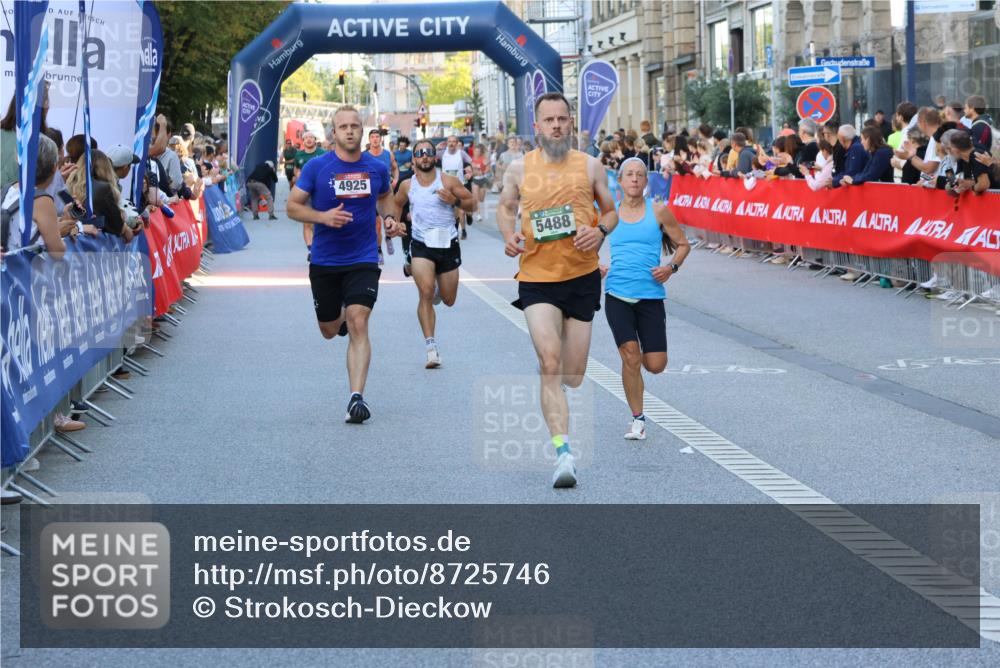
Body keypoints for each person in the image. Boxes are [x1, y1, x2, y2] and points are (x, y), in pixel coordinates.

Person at [497, 92, 617, 488]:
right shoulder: (518, 169)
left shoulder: (591, 166)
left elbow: (612, 211)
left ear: (570, 121)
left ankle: (556, 378)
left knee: (575, 375)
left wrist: (599, 231)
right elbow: (505, 207)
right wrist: (509, 235)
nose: (556, 126)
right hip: (537, 278)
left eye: (562, 119)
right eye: (549, 120)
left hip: (581, 277)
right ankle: (563, 454)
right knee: (550, 362)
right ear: (537, 126)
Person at [286, 105, 404, 424]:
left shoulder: (376, 167)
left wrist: (390, 218)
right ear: (334, 133)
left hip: (363, 257)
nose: (350, 131)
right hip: (325, 260)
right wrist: (322, 217)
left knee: (359, 320)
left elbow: (384, 197)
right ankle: (337, 323)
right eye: (343, 127)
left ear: (362, 131)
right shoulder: (316, 168)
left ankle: (356, 398)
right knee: (329, 329)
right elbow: (292, 207)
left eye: (355, 126)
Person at [604, 158, 689, 440]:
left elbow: (683, 244)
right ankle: (637, 420)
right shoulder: (609, 213)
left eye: (640, 175)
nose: (635, 179)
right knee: (630, 356)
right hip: (617, 294)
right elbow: (583, 244)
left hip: (651, 296)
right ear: (620, 180)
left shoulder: (659, 211)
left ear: (646, 181)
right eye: (629, 174)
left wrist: (670, 268)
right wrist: (595, 264)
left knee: (655, 365)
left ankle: (635, 367)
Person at [393, 138, 475, 368]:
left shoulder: (448, 181)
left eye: (428, 152)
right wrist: (395, 221)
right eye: (420, 153)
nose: (425, 156)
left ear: (434, 157)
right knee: (425, 292)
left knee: (448, 300)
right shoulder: (407, 185)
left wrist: (455, 200)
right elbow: (395, 203)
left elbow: (472, 204)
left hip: (447, 243)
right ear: (414, 159)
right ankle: (431, 348)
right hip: (421, 244)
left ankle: (439, 288)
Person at [364, 129, 399, 262]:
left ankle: (388, 237)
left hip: (386, 191)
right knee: (376, 223)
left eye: (377, 136)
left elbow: (395, 168)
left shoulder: (387, 154)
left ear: (381, 139)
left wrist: (395, 180)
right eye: (372, 137)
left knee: (388, 219)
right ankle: (379, 250)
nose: (375, 139)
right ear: (369, 140)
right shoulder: (364, 156)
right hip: (371, 193)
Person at [295, 131, 326, 261]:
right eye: (306, 138)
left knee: (319, 223)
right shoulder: (299, 155)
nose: (308, 140)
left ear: (315, 139)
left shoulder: (322, 153)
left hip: (321, 192)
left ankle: (320, 247)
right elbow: (297, 169)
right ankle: (311, 250)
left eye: (311, 137)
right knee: (307, 223)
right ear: (303, 141)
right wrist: (298, 175)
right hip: (306, 192)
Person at [440, 135, 472, 239]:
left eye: (454, 141)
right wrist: (436, 147)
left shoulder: (461, 153)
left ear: (457, 143)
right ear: (447, 142)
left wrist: (469, 171)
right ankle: (454, 229)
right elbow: (430, 156)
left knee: (461, 210)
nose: (451, 143)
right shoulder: (442, 153)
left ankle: (463, 231)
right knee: (452, 211)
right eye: (449, 141)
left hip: (460, 185)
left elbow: (471, 163)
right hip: (447, 186)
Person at [948, 130, 1000, 194]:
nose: (949, 152)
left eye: (949, 148)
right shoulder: (964, 159)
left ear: (955, 149)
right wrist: (966, 184)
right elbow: (953, 186)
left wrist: (972, 188)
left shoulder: (975, 156)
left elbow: (983, 184)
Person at [470, 144, 490, 223]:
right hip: (475, 180)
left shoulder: (483, 159)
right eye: (476, 151)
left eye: (478, 151)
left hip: (483, 180)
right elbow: (470, 170)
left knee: (481, 199)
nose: (477, 153)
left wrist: (484, 171)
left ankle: (477, 209)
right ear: (474, 152)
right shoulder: (471, 160)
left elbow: (488, 169)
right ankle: (479, 215)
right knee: (477, 198)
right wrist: (474, 172)